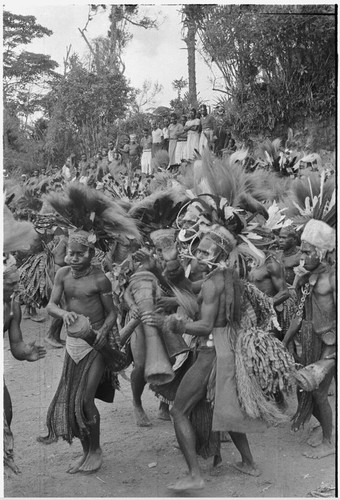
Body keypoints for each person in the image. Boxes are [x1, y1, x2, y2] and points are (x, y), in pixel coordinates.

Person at [142, 226, 262, 491]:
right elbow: (190, 289)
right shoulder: (225, 276)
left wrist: (172, 323)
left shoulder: (212, 282)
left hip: (211, 351)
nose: (198, 254)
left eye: (204, 251)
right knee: (225, 408)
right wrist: (172, 263)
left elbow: (206, 325)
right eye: (198, 249)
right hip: (225, 349)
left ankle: (194, 474)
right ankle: (249, 463)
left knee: (178, 410)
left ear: (218, 253)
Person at [38, 230, 118, 473]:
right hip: (73, 344)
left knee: (85, 400)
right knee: (75, 400)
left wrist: (104, 331)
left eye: (79, 254)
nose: (73, 258)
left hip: (95, 343)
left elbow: (112, 313)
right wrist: (64, 314)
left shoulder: (100, 279)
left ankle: (96, 450)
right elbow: (51, 305)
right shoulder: (62, 274)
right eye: (70, 254)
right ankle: (85, 452)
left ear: (90, 254)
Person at [282, 219, 335, 459]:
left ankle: (329, 440)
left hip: (329, 343)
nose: (301, 256)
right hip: (309, 339)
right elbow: (298, 313)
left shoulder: (333, 279)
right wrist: (283, 343)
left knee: (319, 393)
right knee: (303, 389)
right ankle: (323, 425)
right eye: (301, 250)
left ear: (322, 253)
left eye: (306, 251)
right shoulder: (307, 277)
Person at [4, 255, 46, 474]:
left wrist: (26, 353)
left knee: (6, 413)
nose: (16, 286)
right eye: (11, 283)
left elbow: (16, 343)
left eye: (17, 281)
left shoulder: (12, 306)